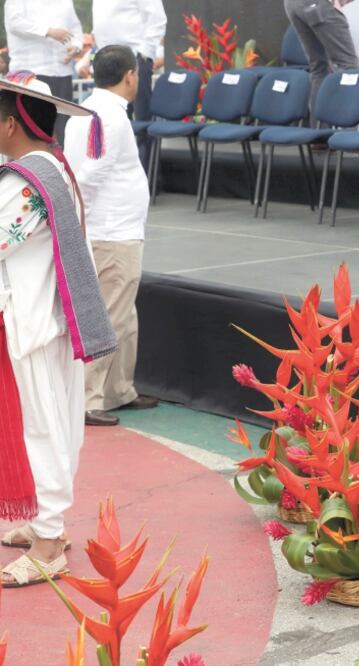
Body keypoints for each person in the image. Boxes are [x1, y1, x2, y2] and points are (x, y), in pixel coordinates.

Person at [0, 71, 116, 587]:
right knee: (56, 426)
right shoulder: (54, 167)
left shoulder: (20, 182)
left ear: (9, 124)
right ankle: (48, 526)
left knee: (41, 430)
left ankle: (48, 543)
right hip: (55, 319)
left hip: (34, 322)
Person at [64, 45, 159, 427]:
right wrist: (79, 223)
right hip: (112, 234)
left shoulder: (87, 112)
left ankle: (119, 389)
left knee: (124, 314)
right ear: (130, 75)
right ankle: (90, 397)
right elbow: (90, 177)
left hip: (114, 230)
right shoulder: (109, 118)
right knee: (110, 316)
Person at [283, 0, 359, 121]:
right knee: (350, 68)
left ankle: (319, 134)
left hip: (292, 4)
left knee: (320, 68)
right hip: (318, 4)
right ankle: (347, 130)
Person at [91, 0, 167, 166]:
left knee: (142, 119)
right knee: (111, 119)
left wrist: (144, 53)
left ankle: (148, 174)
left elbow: (158, 18)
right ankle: (117, 169)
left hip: (134, 60)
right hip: (108, 61)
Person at [3, 0, 84, 143]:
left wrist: (76, 46)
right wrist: (48, 31)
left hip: (61, 71)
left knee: (62, 128)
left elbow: (75, 27)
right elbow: (14, 23)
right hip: (29, 72)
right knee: (27, 130)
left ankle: (58, 163)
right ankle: (24, 165)